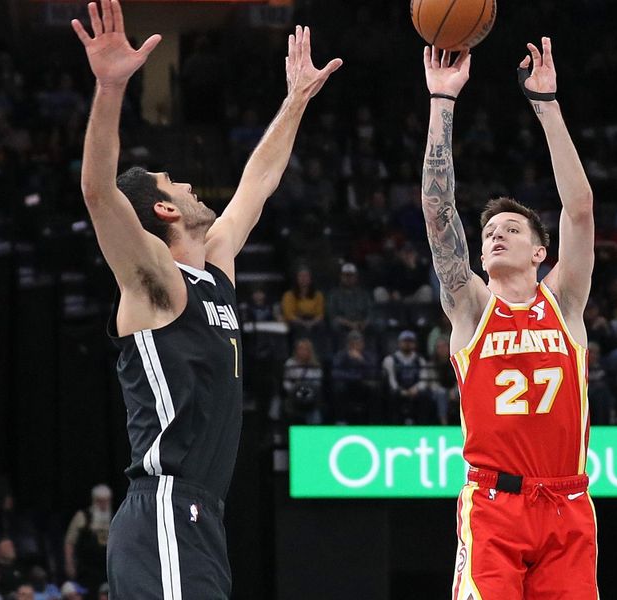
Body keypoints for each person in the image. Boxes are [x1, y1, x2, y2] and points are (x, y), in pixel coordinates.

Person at [70, 3, 341, 598]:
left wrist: (296, 98)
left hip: (200, 516)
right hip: (165, 507)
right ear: (164, 210)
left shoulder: (212, 272)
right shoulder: (156, 284)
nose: (191, 185)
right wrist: (111, 87)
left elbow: (259, 181)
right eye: (177, 184)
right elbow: (97, 190)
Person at [421, 39, 598, 598]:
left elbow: (580, 208)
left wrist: (546, 105)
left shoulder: (564, 302)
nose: (495, 234)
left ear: (540, 251)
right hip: (494, 505)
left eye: (511, 229)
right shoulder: (471, 307)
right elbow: (437, 209)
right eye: (489, 232)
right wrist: (441, 102)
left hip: (568, 502)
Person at [64, 485, 111, 597]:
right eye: (100, 501)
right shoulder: (82, 517)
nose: (103, 505)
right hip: (86, 570)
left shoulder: (114, 517)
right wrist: (69, 564)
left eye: (106, 501)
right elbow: (70, 542)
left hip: (106, 569)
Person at [381, 330, 432, 424]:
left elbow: (423, 379)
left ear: (414, 344)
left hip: (415, 390)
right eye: (405, 341)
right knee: (390, 396)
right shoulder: (390, 359)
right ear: (399, 343)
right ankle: (394, 424)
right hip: (398, 390)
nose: (407, 344)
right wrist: (401, 390)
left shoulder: (420, 360)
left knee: (425, 396)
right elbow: (391, 380)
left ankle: (422, 425)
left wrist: (416, 389)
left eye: (410, 341)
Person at [282, 338, 324, 424]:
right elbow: (285, 382)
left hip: (310, 396)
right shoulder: (290, 363)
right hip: (294, 395)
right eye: (300, 349)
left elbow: (317, 383)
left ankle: (313, 431)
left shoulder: (315, 365)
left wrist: (307, 391)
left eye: (305, 349)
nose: (303, 351)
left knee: (314, 410)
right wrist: (293, 389)